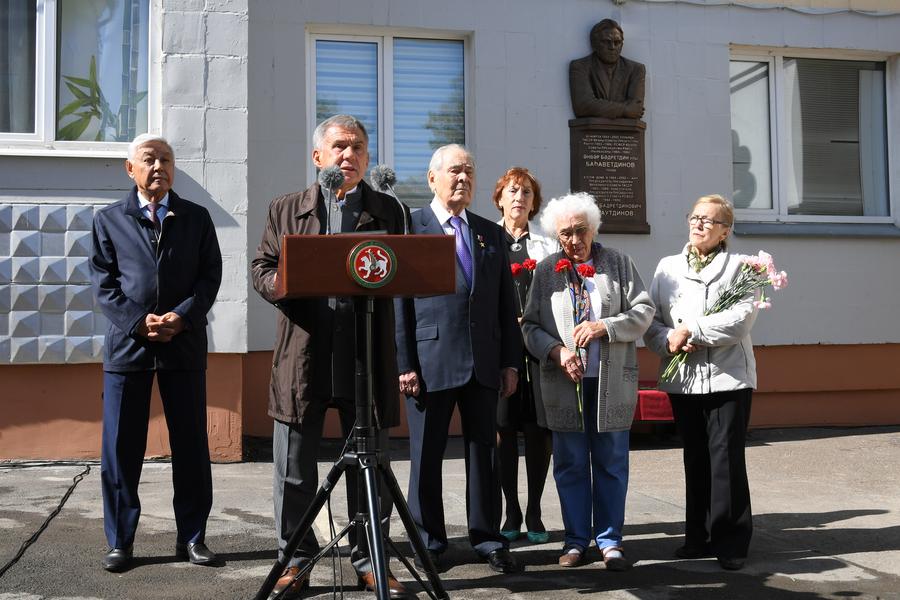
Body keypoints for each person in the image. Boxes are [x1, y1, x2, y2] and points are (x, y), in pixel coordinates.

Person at [250, 114, 410, 599]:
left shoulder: (388, 210)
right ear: (318, 157)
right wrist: (280, 284)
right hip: (305, 354)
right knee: (295, 470)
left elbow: (408, 271)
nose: (350, 155)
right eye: (340, 147)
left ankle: (370, 562)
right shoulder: (287, 208)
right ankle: (294, 564)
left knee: (370, 468)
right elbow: (263, 266)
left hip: (364, 354)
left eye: (359, 147)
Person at [90, 134, 222, 572]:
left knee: (190, 446)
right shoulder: (109, 220)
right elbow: (104, 284)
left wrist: (182, 316)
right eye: (149, 160)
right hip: (129, 349)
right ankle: (120, 542)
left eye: (166, 159)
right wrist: (136, 320)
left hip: (182, 346)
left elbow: (209, 278)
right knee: (121, 448)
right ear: (131, 169)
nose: (159, 166)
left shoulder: (196, 218)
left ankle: (194, 538)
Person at [394, 144, 524, 574]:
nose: (463, 178)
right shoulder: (412, 227)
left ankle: (487, 537)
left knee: (484, 453)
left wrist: (510, 362)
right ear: (432, 178)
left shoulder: (488, 231)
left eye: (469, 171)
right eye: (454, 171)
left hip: (484, 362)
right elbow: (400, 304)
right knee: (426, 454)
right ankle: (429, 540)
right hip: (430, 361)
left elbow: (506, 305)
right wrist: (404, 363)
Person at [521, 192, 653, 571]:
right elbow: (530, 326)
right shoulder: (546, 271)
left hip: (610, 382)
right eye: (565, 234)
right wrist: (557, 352)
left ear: (594, 229)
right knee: (570, 464)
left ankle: (610, 541)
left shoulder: (618, 263)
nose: (574, 241)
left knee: (611, 462)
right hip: (565, 385)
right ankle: (576, 540)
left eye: (581, 231)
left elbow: (643, 310)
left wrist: (605, 326)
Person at [643, 194, 758, 571]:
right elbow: (653, 322)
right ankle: (698, 537)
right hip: (685, 380)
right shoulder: (667, 267)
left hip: (729, 378)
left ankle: (731, 542)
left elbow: (741, 320)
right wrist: (668, 340)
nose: (699, 224)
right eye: (695, 217)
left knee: (725, 459)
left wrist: (693, 330)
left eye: (709, 220)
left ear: (726, 230)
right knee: (695, 457)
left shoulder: (741, 267)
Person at [491, 167, 557, 544]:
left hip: (537, 349)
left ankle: (534, 509)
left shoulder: (547, 245)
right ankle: (510, 510)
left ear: (534, 203)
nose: (519, 198)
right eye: (513, 191)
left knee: (537, 431)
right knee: (503, 428)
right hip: (501, 348)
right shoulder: (487, 239)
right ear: (500, 197)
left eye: (527, 193)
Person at [569, 19, 646, 120]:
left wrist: (600, 106)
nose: (612, 47)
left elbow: (636, 108)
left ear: (622, 45)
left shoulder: (636, 70)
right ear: (594, 44)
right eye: (607, 42)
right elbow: (583, 105)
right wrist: (625, 110)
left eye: (617, 42)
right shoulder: (580, 66)